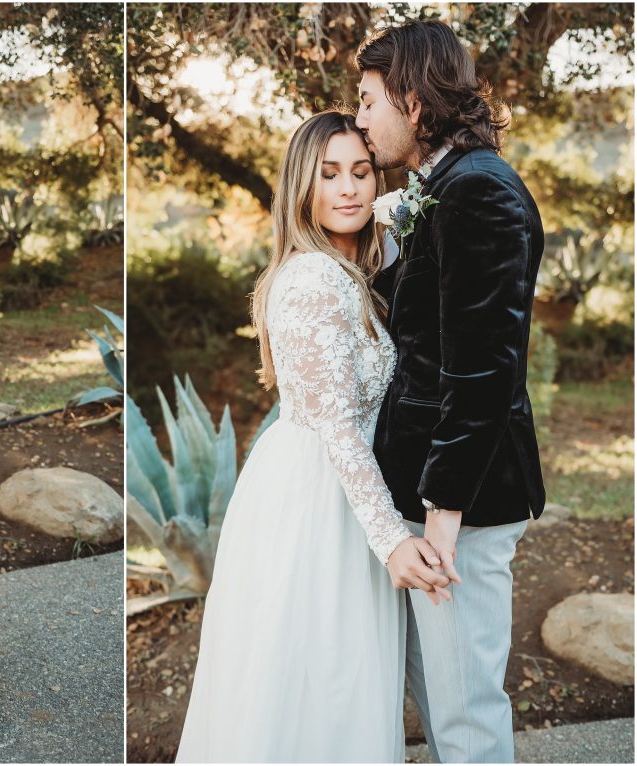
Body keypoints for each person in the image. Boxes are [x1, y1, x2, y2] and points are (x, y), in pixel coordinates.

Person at [175, 110, 455, 763]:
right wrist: (391, 540)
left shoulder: (355, 269)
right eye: (328, 175)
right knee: (313, 676)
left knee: (340, 681)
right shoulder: (309, 280)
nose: (349, 189)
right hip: (312, 499)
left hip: (349, 490)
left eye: (361, 172)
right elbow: (336, 425)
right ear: (303, 185)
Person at [357, 20, 546, 763]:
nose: (363, 117)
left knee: (465, 716)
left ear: (412, 99)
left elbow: (482, 372)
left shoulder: (479, 192)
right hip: (428, 498)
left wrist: (441, 517)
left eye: (369, 100)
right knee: (438, 706)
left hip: (463, 507)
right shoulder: (444, 185)